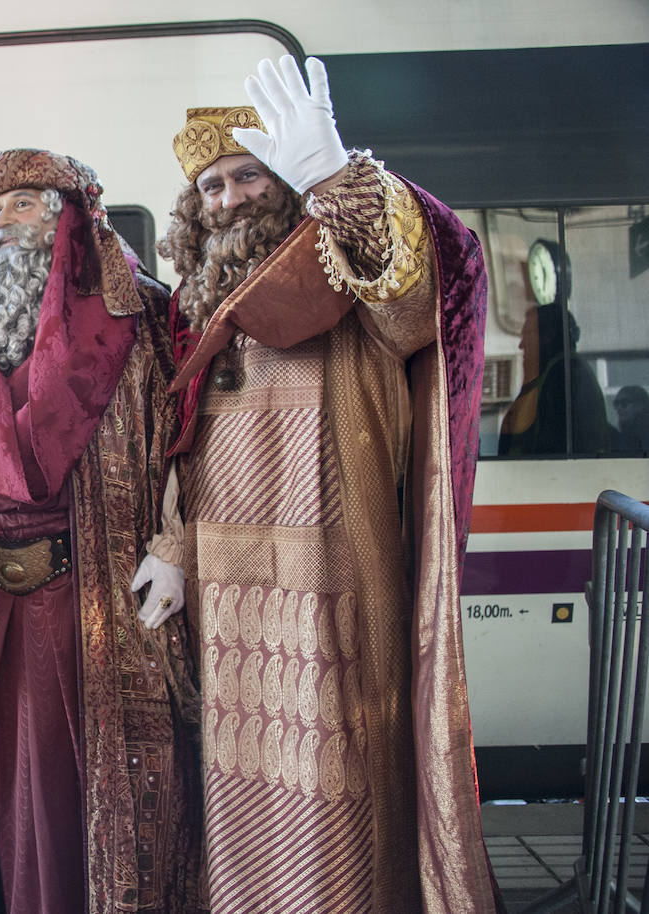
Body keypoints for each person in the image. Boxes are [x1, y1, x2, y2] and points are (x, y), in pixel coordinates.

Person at [152, 56, 503, 911]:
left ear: (284, 182)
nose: (230, 198)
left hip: (336, 600)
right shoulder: (195, 315)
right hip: (227, 606)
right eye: (212, 186)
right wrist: (172, 550)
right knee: (237, 818)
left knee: (338, 811)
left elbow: (416, 302)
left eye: (248, 176)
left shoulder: (348, 288)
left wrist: (340, 184)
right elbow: (183, 457)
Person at [0, 149, 198, 913]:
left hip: (88, 592)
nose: (6, 224)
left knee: (73, 778)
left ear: (69, 214)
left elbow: (184, 437)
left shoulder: (135, 311)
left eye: (26, 205)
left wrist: (173, 546)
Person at [498, 304, 615, 455]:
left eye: (527, 335)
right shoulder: (552, 374)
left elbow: (552, 450)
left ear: (548, 336)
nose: (522, 345)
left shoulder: (565, 375)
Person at [614, 384, 649, 451]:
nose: (619, 408)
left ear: (640, 405)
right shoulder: (622, 435)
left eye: (624, 403)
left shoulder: (644, 435)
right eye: (616, 403)